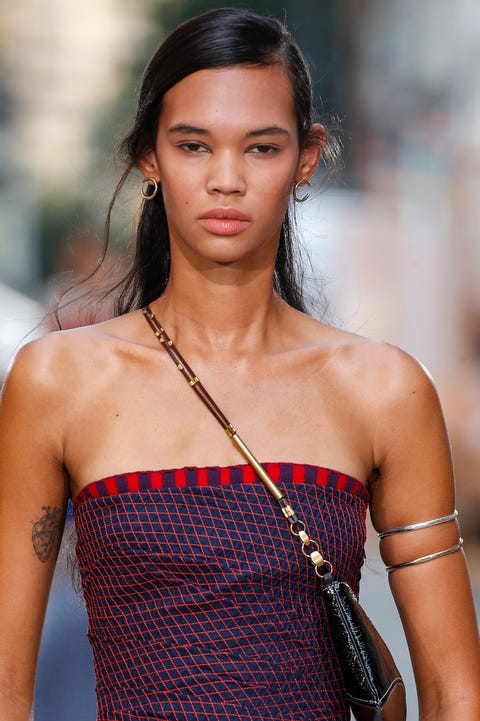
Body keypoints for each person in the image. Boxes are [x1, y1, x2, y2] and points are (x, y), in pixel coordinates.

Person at [0, 7, 479, 721]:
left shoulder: (382, 388)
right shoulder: (56, 382)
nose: (226, 179)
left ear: (307, 157)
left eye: (260, 148)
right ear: (149, 157)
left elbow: (453, 692)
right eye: (194, 146)